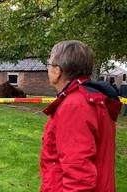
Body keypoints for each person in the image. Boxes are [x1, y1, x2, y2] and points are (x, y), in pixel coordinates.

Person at [41, 40, 122, 192]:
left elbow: (78, 177)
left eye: (49, 64)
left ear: (58, 71)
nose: (48, 69)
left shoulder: (75, 106)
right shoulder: (90, 98)